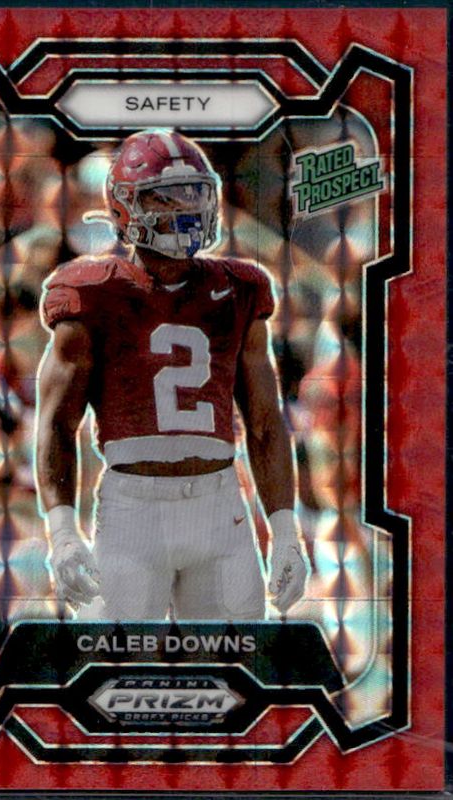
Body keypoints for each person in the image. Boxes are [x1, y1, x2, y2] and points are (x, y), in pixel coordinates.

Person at [35, 129, 309, 620]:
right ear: (125, 206)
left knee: (232, 661)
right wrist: (62, 532)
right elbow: (57, 423)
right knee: (115, 661)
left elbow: (266, 423)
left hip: (219, 505)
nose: (187, 207)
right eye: (166, 196)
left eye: (195, 193)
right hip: (133, 510)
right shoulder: (93, 293)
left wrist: (286, 531)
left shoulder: (240, 289)